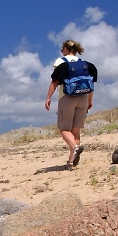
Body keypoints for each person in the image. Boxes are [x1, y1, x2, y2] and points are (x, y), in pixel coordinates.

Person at [45, 40, 98, 169]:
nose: (61, 51)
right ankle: (71, 162)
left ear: (66, 49)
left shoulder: (61, 62)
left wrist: (48, 98)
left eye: (62, 49)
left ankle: (75, 148)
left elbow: (55, 81)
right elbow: (91, 85)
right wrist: (90, 101)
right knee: (76, 131)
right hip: (83, 98)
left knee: (64, 129)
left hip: (67, 97)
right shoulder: (86, 64)